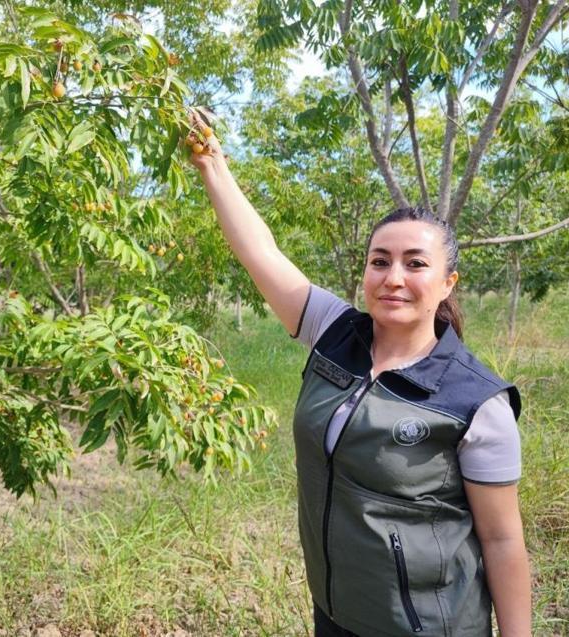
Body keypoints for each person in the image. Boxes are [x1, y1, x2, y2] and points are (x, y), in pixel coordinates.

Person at [187, 117, 531, 637]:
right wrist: (212, 163)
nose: (393, 278)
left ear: (447, 283)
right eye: (379, 261)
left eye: (415, 264)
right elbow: (261, 252)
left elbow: (503, 541)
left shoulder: (476, 402)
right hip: (335, 612)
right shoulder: (335, 332)